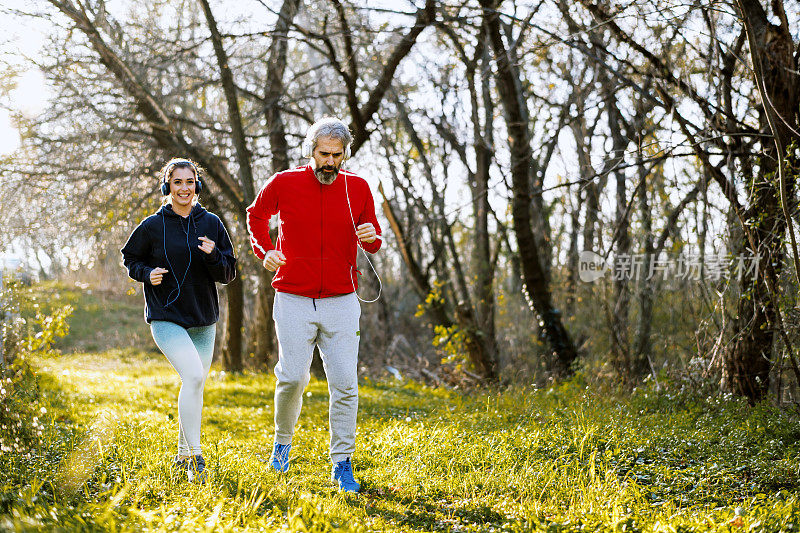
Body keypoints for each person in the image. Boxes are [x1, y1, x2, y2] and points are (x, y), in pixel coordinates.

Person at [246, 117, 382, 492]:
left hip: (342, 300)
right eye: (324, 154)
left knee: (345, 384)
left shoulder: (357, 187)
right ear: (311, 151)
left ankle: (342, 462)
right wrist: (265, 251)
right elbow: (256, 216)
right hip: (293, 296)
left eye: (337, 155)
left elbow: (371, 239)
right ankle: (282, 444)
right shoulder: (284, 182)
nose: (330, 162)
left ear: (345, 154)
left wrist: (372, 238)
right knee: (292, 376)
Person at [121, 157, 237, 484]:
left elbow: (228, 273)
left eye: (190, 182)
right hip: (166, 315)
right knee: (194, 375)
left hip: (203, 318)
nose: (184, 188)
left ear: (197, 186)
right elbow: (130, 257)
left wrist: (214, 255)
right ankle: (196, 457)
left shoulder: (211, 223)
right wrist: (146, 273)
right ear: (167, 187)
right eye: (177, 183)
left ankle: (182, 457)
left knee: (195, 383)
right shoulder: (153, 226)